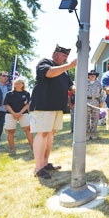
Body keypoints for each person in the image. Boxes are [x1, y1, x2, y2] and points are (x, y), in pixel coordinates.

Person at [29, 45, 76, 179]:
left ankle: (45, 163)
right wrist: (69, 65)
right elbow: (49, 73)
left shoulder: (64, 71)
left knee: (50, 134)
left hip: (57, 107)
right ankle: (38, 168)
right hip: (43, 105)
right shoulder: (45, 63)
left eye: (67, 57)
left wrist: (77, 88)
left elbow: (70, 85)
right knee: (42, 133)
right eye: (63, 55)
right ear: (55, 54)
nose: (65, 58)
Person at [3, 78, 32, 155]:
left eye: (19, 83)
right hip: (10, 114)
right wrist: (13, 113)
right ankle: (12, 149)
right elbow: (6, 105)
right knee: (10, 131)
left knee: (28, 129)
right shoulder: (9, 94)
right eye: (16, 83)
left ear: (23, 85)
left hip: (23, 114)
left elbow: (27, 105)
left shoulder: (26, 93)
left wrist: (20, 113)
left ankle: (33, 147)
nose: (17, 85)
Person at [87, 69, 104, 140]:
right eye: (91, 75)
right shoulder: (85, 83)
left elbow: (101, 94)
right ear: (88, 76)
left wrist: (101, 102)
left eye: (94, 75)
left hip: (96, 102)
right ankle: (87, 135)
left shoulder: (99, 84)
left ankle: (93, 134)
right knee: (86, 119)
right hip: (87, 102)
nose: (92, 76)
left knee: (95, 119)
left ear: (96, 76)